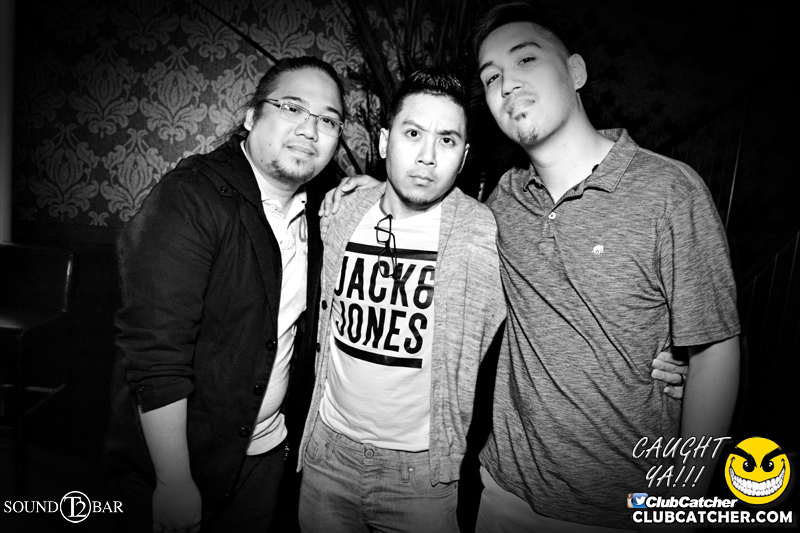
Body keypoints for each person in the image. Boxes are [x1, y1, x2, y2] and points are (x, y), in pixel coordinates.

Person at [471, 2, 740, 531]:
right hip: (503, 494)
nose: (507, 84)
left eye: (525, 59)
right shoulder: (503, 201)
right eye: (491, 77)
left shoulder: (669, 191)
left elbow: (715, 350)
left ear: (576, 71)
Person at [104, 56, 345, 532]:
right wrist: (174, 480)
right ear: (252, 116)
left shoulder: (324, 210)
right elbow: (155, 352)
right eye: (293, 108)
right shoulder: (191, 196)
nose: (310, 129)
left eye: (328, 120)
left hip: (266, 457)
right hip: (178, 464)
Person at [296, 69, 507, 533]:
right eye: (413, 134)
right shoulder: (341, 214)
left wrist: (660, 353)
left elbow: (549, 302)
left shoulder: (482, 235)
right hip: (327, 455)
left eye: (447, 140)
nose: (427, 156)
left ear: (463, 157)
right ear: (384, 141)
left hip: (421, 477)